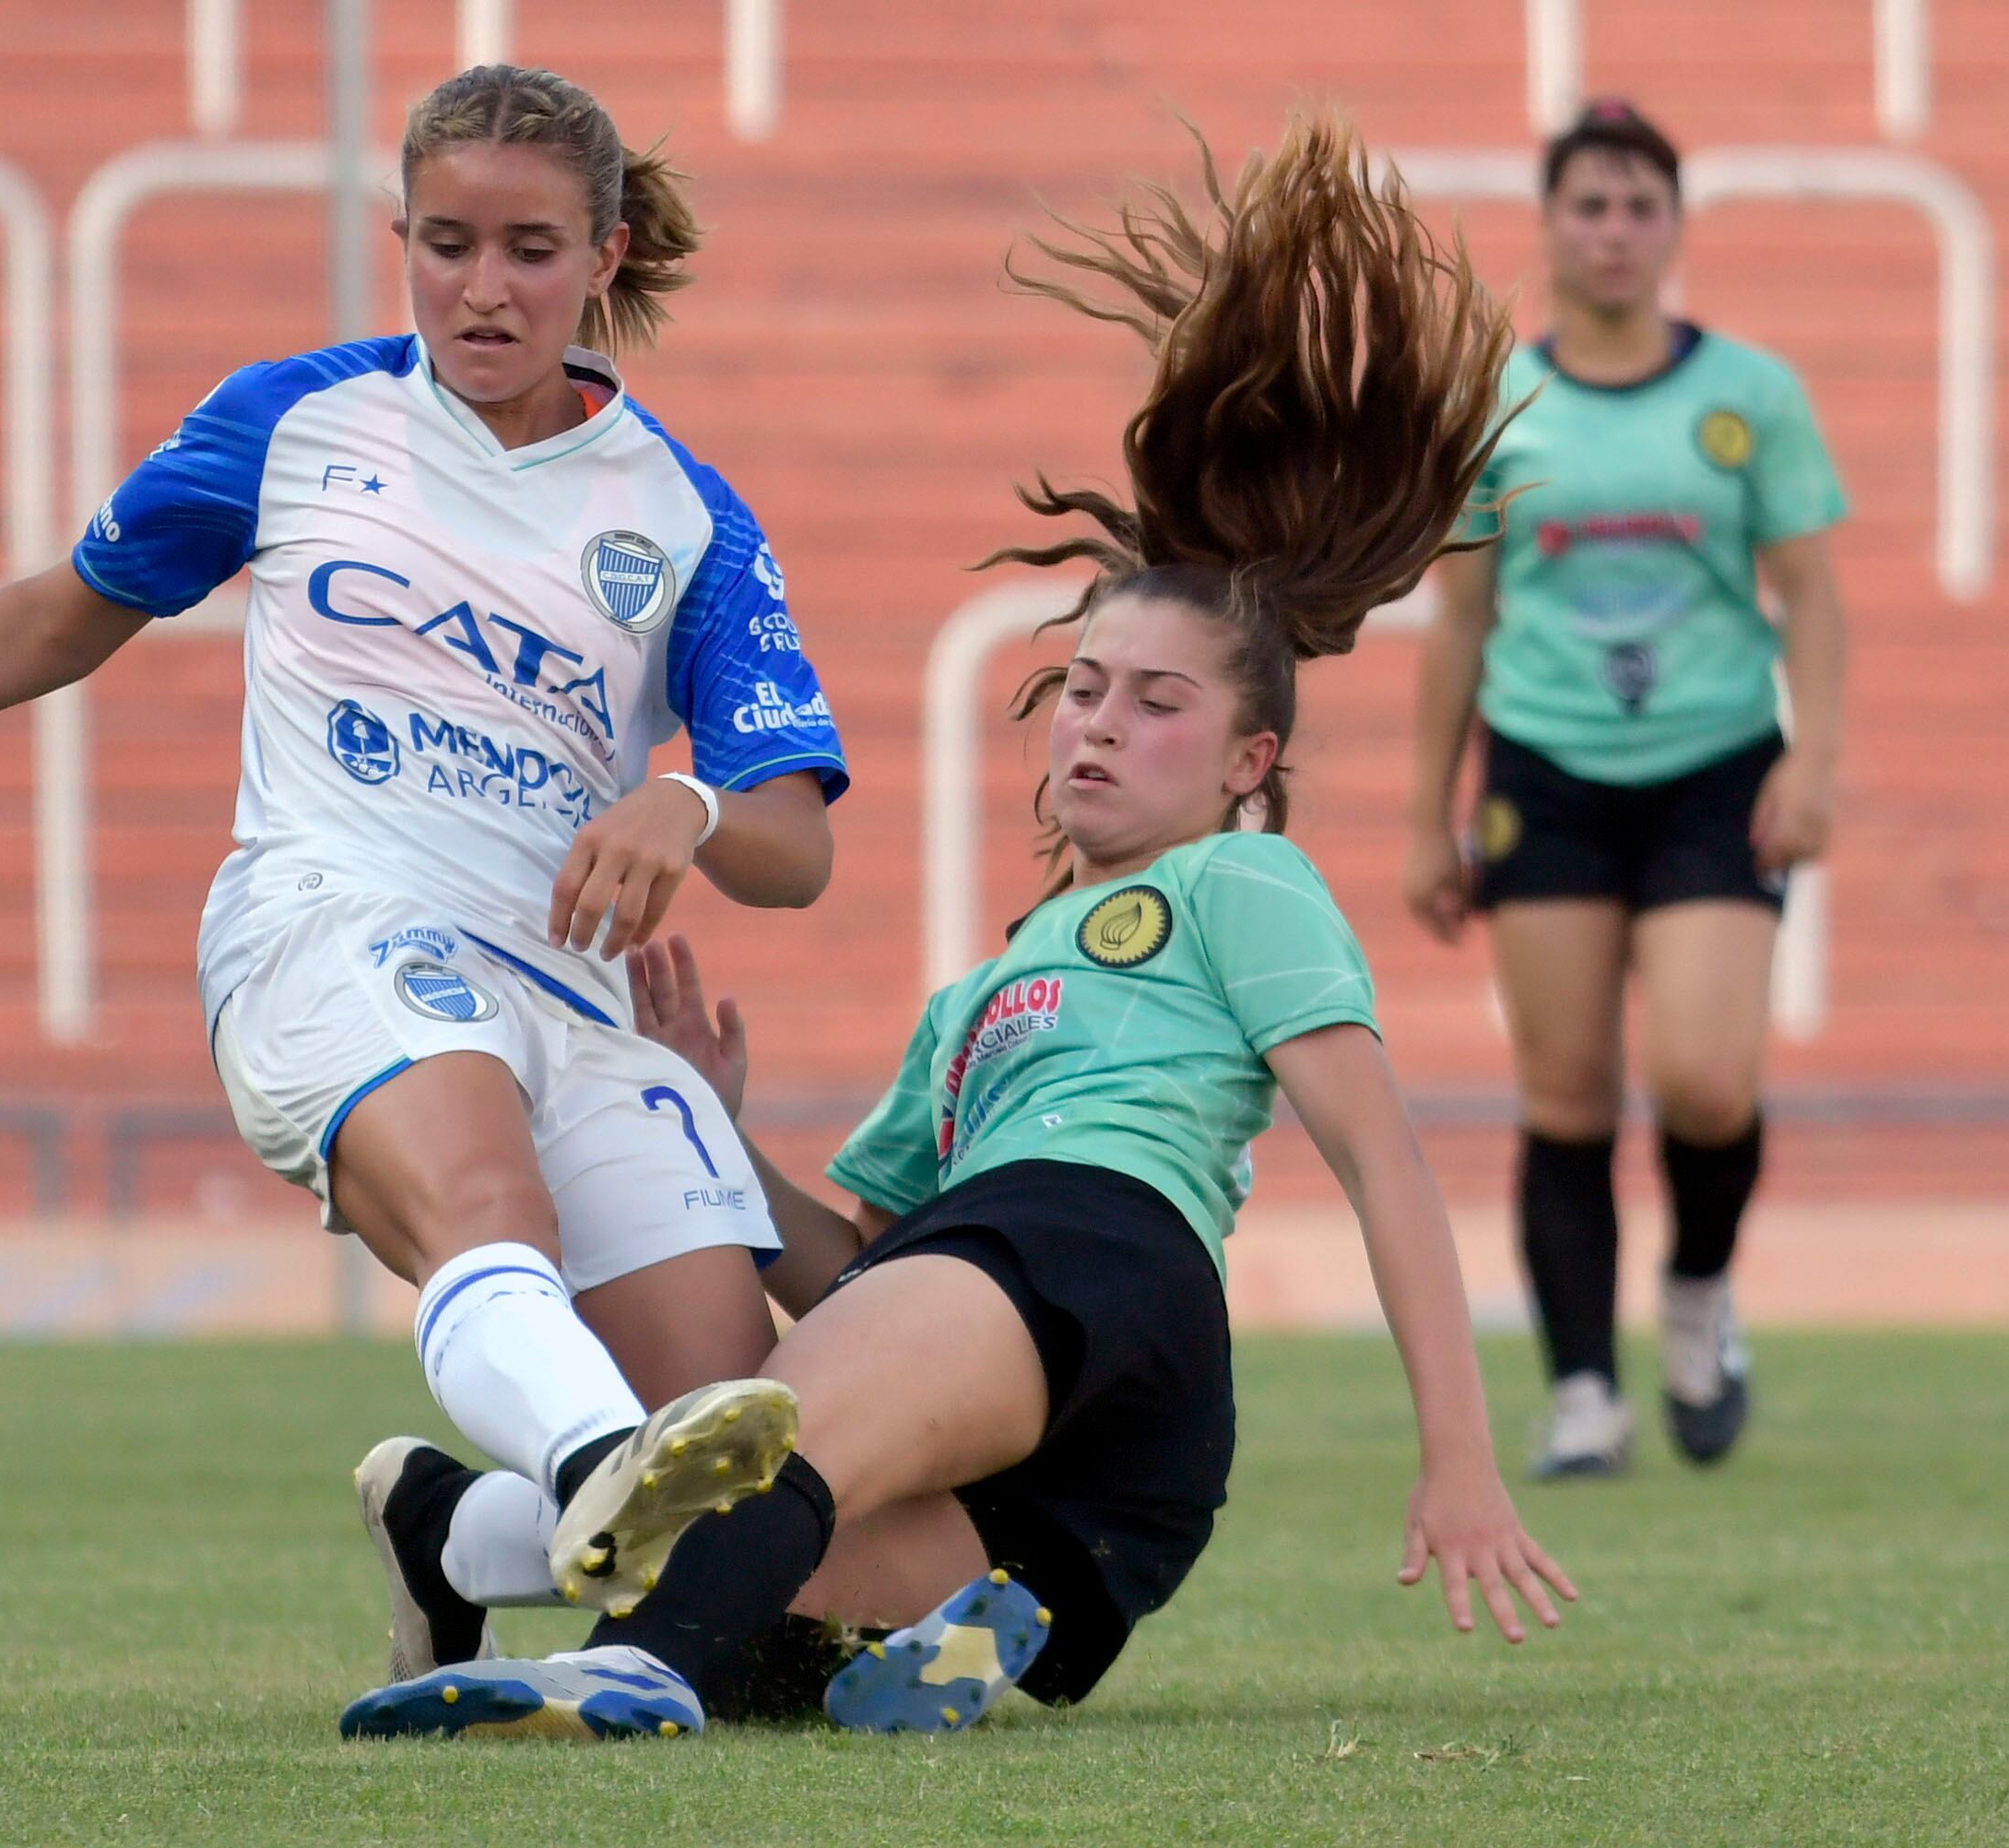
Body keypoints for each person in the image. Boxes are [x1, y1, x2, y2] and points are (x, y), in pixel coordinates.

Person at [339, 107, 1578, 1745]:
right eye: (1079, 689)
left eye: (1153, 704)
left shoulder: (1239, 885)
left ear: (1249, 760)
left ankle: (639, 1676)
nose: (1094, 726)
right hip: (1005, 1388)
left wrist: (1463, 1455)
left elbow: (1385, 1169)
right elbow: (847, 1272)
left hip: (1106, 1278)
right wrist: (712, 1128)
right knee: (736, 1519)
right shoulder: (986, 990)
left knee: (750, 1461)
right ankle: (470, 1529)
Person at [0, 65, 845, 1632]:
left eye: (529, 249)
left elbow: (793, 849)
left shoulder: (685, 516)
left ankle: (457, 1537)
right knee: (490, 1213)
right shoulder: (293, 420)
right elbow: (62, 613)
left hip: (571, 996)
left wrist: (693, 805)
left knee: (727, 1471)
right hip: (330, 926)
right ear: (398, 237)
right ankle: (590, 1446)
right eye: (446, 242)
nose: (483, 287)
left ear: (603, 256)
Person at [1404, 101, 1849, 1478]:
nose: (1611, 231)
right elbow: (1460, 622)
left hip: (1714, 766)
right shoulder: (1493, 405)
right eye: (1586, 206)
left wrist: (1812, 755)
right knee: (1568, 1091)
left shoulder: (1748, 397)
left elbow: (1812, 597)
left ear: (1672, 229)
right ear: (1549, 226)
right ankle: (1585, 1389)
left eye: (1636, 206)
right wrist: (1429, 810)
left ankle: (1700, 1295)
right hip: (1544, 770)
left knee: (1706, 1084)